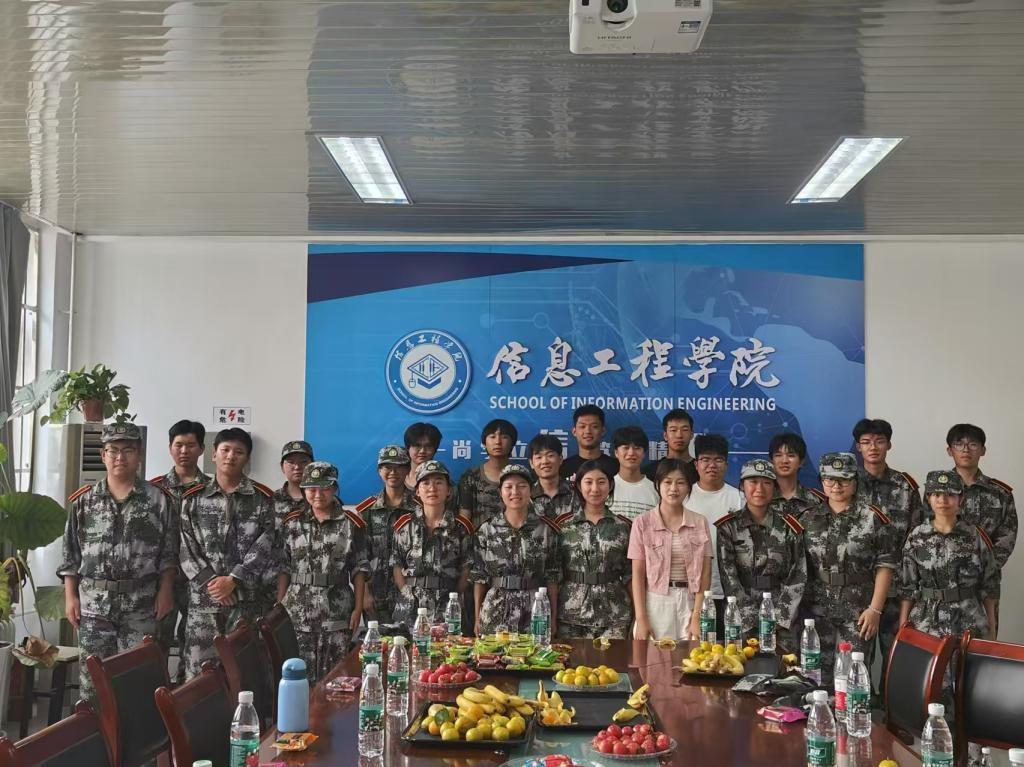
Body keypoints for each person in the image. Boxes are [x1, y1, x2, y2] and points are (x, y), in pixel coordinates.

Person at [59, 423, 178, 700]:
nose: (120, 457)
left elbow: (170, 553)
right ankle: (97, 730)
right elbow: (70, 555)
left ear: (139, 455)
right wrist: (70, 597)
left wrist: (166, 591)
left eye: (128, 450)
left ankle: (138, 731)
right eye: (113, 450)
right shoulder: (84, 501)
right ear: (103, 456)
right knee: (94, 684)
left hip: (142, 605)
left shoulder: (159, 500)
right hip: (94, 607)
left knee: (139, 682)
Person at [179, 428, 280, 680]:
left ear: (247, 458)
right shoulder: (193, 498)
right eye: (225, 450)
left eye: (238, 452)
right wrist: (214, 584)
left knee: (246, 676)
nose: (231, 456)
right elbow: (185, 546)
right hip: (204, 605)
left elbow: (267, 544)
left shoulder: (263, 499)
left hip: (246, 603)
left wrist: (233, 580)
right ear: (214, 454)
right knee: (201, 678)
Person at [801, 452, 897, 685]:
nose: (836, 486)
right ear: (822, 481)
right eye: (830, 479)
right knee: (815, 678)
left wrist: (875, 610)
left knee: (853, 679)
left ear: (855, 481)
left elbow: (885, 565)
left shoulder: (873, 518)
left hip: (859, 611)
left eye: (843, 479)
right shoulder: (807, 519)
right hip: (817, 610)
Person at [276, 462, 368, 682]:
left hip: (336, 610)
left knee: (335, 676)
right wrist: (279, 606)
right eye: (312, 489)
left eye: (324, 488)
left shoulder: (351, 523)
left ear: (334, 488)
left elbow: (359, 569)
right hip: (297, 610)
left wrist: (358, 608)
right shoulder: (291, 523)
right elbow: (283, 567)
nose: (318, 495)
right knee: (298, 675)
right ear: (304, 490)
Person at [852, 418, 923, 688]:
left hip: (897, 588)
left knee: (896, 661)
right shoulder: (847, 483)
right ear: (858, 447)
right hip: (859, 588)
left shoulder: (905, 486)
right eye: (867, 442)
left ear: (889, 445)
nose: (873, 447)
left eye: (879, 441)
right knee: (858, 660)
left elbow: (917, 536)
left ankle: (892, 713)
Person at [716, 459, 807, 652]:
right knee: (741, 665)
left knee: (783, 667)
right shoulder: (728, 527)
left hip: (782, 618)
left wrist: (779, 619)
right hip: (740, 617)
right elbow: (728, 577)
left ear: (774, 488)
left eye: (766, 483)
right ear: (742, 486)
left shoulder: (789, 527)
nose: (759, 489)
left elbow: (798, 574)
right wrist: (749, 618)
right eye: (753, 482)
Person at [900, 470, 999, 641]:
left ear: (961, 498)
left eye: (950, 495)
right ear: (928, 498)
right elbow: (907, 587)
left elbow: (990, 585)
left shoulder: (975, 536)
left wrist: (991, 626)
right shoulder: (916, 537)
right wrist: (903, 625)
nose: (943, 501)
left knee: (968, 660)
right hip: (927, 622)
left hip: (969, 621)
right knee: (929, 660)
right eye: (936, 494)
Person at [149, 419, 209, 682]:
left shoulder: (211, 490)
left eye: (191, 445)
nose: (184, 451)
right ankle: (156, 695)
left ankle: (186, 694)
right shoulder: (153, 490)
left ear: (202, 449)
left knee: (195, 642)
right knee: (156, 641)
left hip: (198, 579)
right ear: (170, 448)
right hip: (161, 578)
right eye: (179, 445)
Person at [470, 464, 561, 636]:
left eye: (522, 486)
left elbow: (553, 578)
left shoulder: (545, 530)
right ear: (500, 492)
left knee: (534, 653)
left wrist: (553, 618)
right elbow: (479, 578)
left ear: (530, 491)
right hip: (496, 607)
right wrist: (477, 618)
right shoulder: (487, 530)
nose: (515, 492)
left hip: (535, 608)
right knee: (494, 653)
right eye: (509, 487)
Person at [629, 459, 713, 641]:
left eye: (680, 482)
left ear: (688, 487)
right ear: (658, 485)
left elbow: (705, 573)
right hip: (655, 602)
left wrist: (697, 616)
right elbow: (637, 575)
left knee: (692, 657)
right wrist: (641, 618)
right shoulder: (642, 523)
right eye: (667, 482)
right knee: (653, 658)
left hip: (690, 602)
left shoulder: (700, 522)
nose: (673, 488)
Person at [555, 460, 632, 639]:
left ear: (610, 485)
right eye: (588, 482)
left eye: (601, 482)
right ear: (579, 486)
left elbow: (631, 575)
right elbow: (553, 575)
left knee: (616, 658)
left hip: (614, 615)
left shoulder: (624, 526)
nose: (595, 489)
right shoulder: (563, 525)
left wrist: (638, 616)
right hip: (571, 616)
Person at [391, 460, 473, 627]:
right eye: (426, 483)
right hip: (410, 605)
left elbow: (467, 568)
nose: (432, 488)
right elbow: (396, 564)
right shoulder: (404, 525)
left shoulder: (460, 527)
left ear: (448, 490)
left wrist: (454, 595)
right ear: (417, 491)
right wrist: (406, 593)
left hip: (447, 605)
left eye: (438, 482)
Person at [684, 434, 743, 632]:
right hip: (692, 592)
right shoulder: (684, 497)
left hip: (730, 591)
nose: (712, 465)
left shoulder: (739, 498)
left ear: (726, 464)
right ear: (696, 464)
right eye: (705, 459)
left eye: (718, 460)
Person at [354, 445, 418, 626]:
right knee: (377, 642)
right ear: (379, 470)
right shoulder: (367, 510)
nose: (393, 472)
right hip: (376, 595)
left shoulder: (419, 508)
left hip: (411, 593)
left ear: (408, 469)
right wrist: (364, 594)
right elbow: (359, 558)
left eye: (399, 467)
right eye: (387, 467)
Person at [946, 424, 1017, 572]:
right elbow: (927, 529)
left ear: (983, 450)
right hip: (944, 574)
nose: (966, 449)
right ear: (950, 451)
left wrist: (984, 568)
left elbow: (1007, 536)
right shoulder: (938, 491)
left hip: (985, 577)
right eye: (959, 444)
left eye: (973, 444)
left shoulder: (1000, 493)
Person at [458, 419, 517, 528]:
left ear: (512, 444)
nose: (498, 442)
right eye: (492, 437)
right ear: (484, 443)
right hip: (479, 537)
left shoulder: (522, 476)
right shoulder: (471, 476)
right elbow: (464, 517)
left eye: (504, 437)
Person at [768, 432, 825, 520]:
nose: (784, 461)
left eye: (791, 455)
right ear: (771, 461)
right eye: (778, 455)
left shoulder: (817, 500)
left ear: (801, 462)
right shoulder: (760, 497)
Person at [609, 426, 660, 522]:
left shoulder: (655, 490)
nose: (631, 453)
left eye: (637, 448)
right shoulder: (606, 487)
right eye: (626, 448)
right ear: (616, 452)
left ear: (644, 453)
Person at [559, 405, 618, 481]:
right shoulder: (563, 468)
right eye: (582, 426)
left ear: (603, 431)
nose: (588, 431)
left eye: (594, 426)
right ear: (574, 432)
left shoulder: (616, 467)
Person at [527, 433, 576, 519]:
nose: (545, 461)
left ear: (560, 459)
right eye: (539, 457)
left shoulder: (576, 492)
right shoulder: (526, 495)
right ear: (531, 463)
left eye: (550, 455)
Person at [643, 409, 695, 482]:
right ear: (665, 436)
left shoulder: (701, 470)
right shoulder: (651, 472)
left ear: (691, 435)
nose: (679, 435)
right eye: (673, 430)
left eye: (684, 430)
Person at [273, 440, 314, 518]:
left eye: (303, 461)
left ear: (312, 466)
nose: (297, 467)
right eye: (291, 462)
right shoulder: (270, 500)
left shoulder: (322, 499)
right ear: (282, 467)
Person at [404, 422, 443, 493]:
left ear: (435, 449)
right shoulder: (398, 480)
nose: (422, 451)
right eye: (417, 446)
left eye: (428, 446)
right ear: (408, 448)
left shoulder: (444, 483)